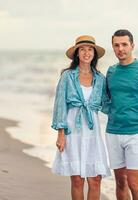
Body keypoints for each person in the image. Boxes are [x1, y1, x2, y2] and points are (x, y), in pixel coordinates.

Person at [51, 35, 111, 200]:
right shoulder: (67, 76)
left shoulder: (100, 79)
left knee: (95, 179)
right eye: (82, 49)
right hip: (72, 130)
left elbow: (106, 105)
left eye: (90, 49)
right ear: (77, 53)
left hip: (92, 132)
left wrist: (130, 105)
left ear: (94, 54)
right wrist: (60, 134)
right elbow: (60, 105)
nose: (86, 53)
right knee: (77, 179)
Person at [105, 29, 138, 200]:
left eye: (124, 44)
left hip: (137, 134)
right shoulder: (111, 72)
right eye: (116, 45)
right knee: (120, 182)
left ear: (132, 46)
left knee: (134, 183)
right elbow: (106, 100)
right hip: (113, 132)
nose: (120, 49)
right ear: (113, 47)